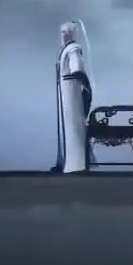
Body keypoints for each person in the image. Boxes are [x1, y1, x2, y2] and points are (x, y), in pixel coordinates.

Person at [52, 19, 94, 174]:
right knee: (66, 127)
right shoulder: (65, 49)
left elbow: (76, 69)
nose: (64, 35)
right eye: (62, 32)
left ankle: (76, 164)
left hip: (72, 92)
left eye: (66, 32)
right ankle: (66, 162)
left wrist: (84, 84)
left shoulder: (73, 49)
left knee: (73, 127)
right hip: (65, 91)